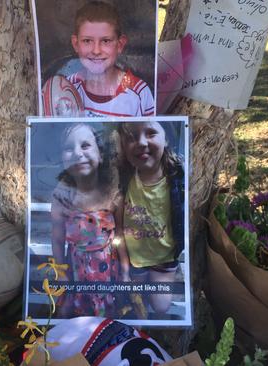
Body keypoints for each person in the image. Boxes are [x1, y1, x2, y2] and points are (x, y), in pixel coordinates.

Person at [50, 123, 129, 318]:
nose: (77, 153)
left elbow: (120, 234)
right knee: (73, 316)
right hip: (77, 274)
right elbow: (57, 240)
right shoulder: (62, 197)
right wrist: (61, 274)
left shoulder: (113, 195)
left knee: (108, 317)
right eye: (69, 148)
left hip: (108, 274)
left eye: (85, 145)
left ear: (101, 155)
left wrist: (126, 272)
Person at [118, 121, 184, 317]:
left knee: (161, 306)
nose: (141, 142)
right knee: (136, 305)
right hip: (134, 259)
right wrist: (123, 268)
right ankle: (142, 282)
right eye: (131, 137)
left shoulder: (177, 178)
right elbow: (119, 228)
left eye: (151, 133)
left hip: (164, 258)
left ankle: (155, 281)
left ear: (166, 138)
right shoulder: (123, 179)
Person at [67, 1, 155, 117]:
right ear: (75, 44)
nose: (96, 51)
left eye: (106, 41)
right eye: (87, 41)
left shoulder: (139, 93)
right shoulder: (67, 87)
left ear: (120, 44)